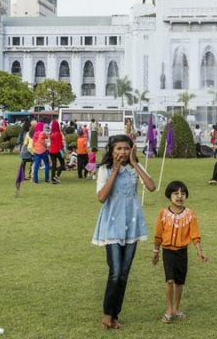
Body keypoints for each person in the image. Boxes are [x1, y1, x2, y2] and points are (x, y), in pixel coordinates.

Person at [92, 134, 156, 329]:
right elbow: (102, 197)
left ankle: (115, 315)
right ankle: (107, 314)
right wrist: (116, 169)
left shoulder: (135, 168)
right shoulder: (105, 169)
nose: (122, 152)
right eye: (118, 149)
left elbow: (152, 187)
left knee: (124, 273)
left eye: (126, 148)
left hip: (132, 224)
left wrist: (134, 163)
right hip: (111, 225)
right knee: (115, 271)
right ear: (111, 151)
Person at [152, 180, 206, 324]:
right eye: (176, 193)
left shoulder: (190, 214)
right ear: (169, 196)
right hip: (168, 251)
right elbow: (158, 234)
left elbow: (195, 234)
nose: (179, 196)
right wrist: (156, 251)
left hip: (182, 252)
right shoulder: (163, 213)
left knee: (179, 282)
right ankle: (169, 309)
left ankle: (176, 308)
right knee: (169, 280)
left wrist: (199, 251)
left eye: (183, 193)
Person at [49, 120, 65, 184]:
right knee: (62, 164)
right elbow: (60, 144)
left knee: (54, 165)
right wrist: (63, 150)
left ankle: (52, 178)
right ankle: (56, 175)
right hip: (57, 150)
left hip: (51, 151)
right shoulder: (58, 134)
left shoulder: (51, 134)